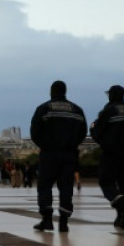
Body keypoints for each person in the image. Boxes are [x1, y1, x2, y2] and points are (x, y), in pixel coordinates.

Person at [29, 80, 87, 233]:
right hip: (69, 154)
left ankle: (47, 220)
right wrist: (71, 144)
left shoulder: (44, 109)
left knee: (44, 186)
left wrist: (45, 145)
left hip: (49, 154)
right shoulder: (77, 110)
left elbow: (35, 131)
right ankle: (63, 222)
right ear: (65, 91)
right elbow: (82, 132)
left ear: (51, 91)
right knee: (66, 187)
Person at [91, 84, 124, 229]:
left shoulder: (109, 111)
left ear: (111, 95)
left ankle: (123, 207)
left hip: (112, 151)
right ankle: (122, 215)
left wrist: (94, 130)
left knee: (106, 181)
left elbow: (98, 132)